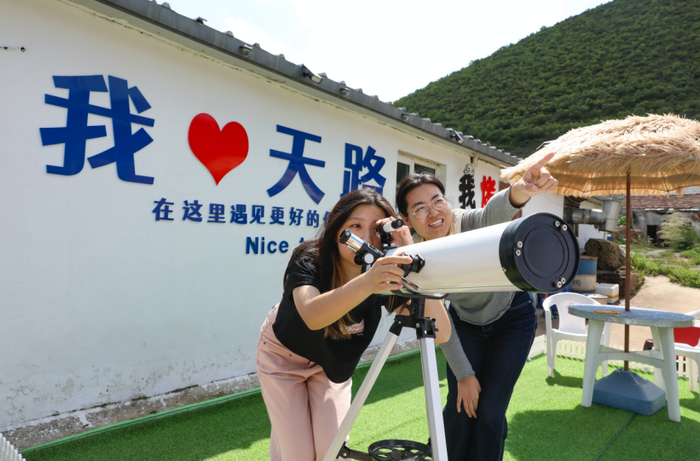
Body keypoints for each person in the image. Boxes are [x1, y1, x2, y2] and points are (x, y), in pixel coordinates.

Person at [256, 187, 451, 461]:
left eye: (376, 230)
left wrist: (410, 253)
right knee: (298, 454)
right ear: (337, 230)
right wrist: (367, 283)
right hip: (283, 357)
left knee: (332, 450)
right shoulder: (311, 258)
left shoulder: (385, 274)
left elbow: (441, 332)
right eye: (356, 226)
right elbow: (312, 315)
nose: (366, 238)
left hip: (331, 365)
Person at [395, 153, 557, 461]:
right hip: (464, 323)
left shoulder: (465, 224)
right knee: (459, 406)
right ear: (406, 219)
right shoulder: (414, 255)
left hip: (512, 318)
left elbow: (491, 213)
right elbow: (438, 321)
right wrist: (464, 375)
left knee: (490, 413)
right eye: (420, 208)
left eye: (438, 201)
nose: (433, 212)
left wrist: (519, 190)